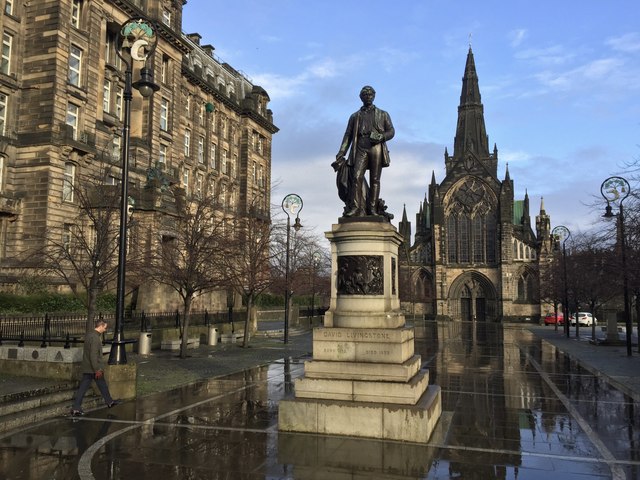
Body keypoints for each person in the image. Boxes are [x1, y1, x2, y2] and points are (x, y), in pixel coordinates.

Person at [334, 85, 395, 217]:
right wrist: (341, 152)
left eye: (370, 95)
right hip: (360, 146)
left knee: (375, 179)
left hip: (376, 146)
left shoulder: (383, 114)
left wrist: (382, 136)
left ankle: (372, 209)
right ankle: (356, 207)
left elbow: (391, 131)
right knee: (356, 177)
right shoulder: (355, 116)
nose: (368, 97)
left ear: (374, 96)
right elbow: (348, 135)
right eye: (365, 95)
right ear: (361, 97)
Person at [70, 319, 120, 416]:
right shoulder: (95, 338)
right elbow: (93, 355)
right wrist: (97, 369)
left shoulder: (89, 335)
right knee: (87, 387)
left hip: (89, 367)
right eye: (105, 328)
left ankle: (109, 402)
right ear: (100, 326)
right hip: (93, 368)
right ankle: (77, 407)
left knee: (100, 385)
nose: (105, 330)